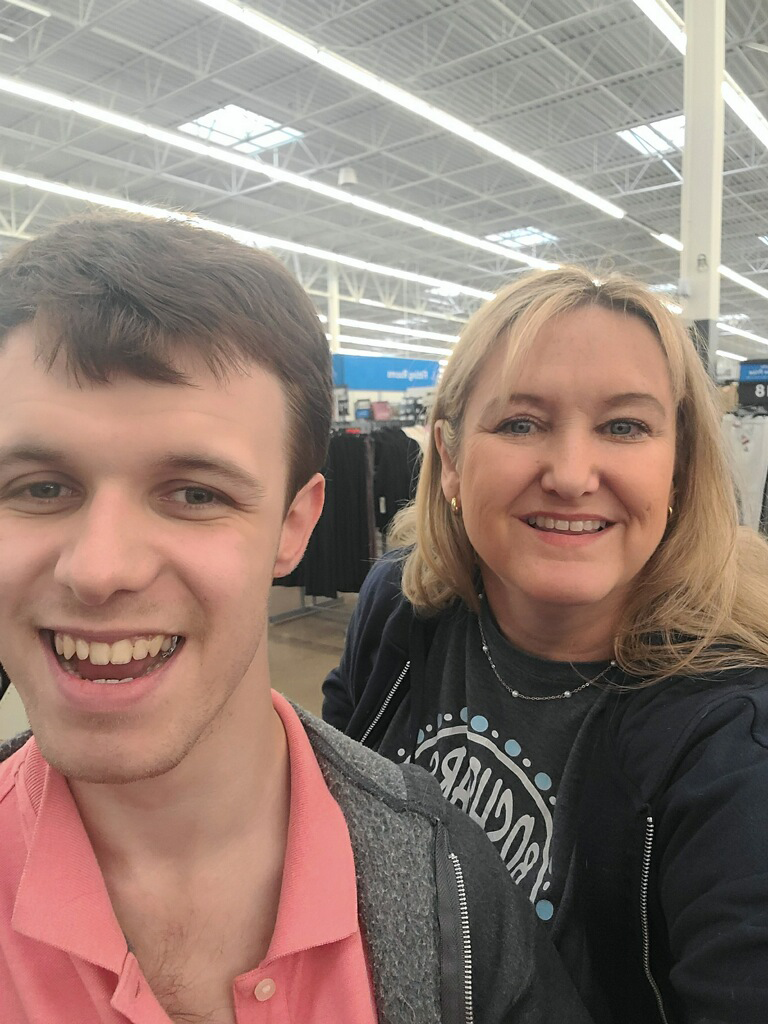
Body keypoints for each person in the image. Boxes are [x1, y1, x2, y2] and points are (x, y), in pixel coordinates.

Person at [0, 214, 592, 1024]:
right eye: (40, 487)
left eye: (194, 494)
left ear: (295, 525)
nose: (100, 570)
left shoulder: (450, 885)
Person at [323, 266, 768, 1024]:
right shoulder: (399, 610)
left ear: (679, 466)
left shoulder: (732, 737)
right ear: (452, 459)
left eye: (624, 426)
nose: (569, 474)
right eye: (521, 423)